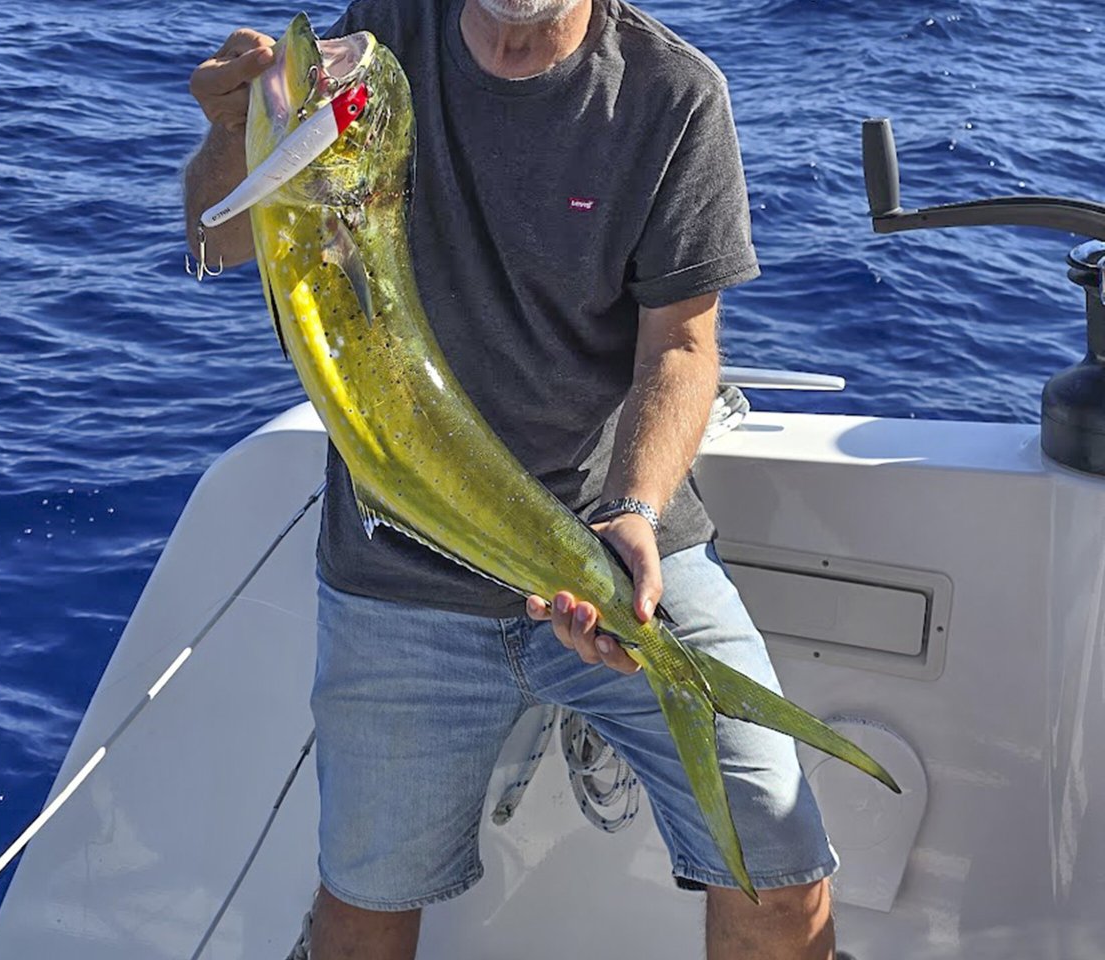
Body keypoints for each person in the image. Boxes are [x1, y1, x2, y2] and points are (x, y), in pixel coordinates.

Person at [184, 1, 838, 957]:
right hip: (399, 576)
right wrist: (232, 130)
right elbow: (216, 244)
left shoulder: (673, 93)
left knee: (783, 879)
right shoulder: (378, 42)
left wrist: (634, 509)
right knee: (360, 912)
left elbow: (685, 345)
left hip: (611, 545)